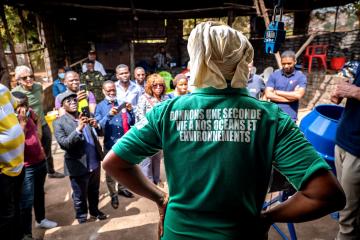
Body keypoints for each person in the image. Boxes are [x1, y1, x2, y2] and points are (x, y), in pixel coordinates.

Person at [102, 21, 345, 240]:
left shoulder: (166, 112)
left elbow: (114, 163)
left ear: (197, 60)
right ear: (242, 62)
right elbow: (326, 194)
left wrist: (160, 198)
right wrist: (268, 216)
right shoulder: (271, 118)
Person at [53, 91, 106, 224]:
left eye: (74, 100)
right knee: (80, 195)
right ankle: (82, 217)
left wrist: (96, 125)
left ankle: (95, 211)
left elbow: (100, 132)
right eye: (68, 101)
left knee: (94, 190)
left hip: (94, 162)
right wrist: (79, 129)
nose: (73, 103)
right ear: (62, 106)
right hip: (78, 165)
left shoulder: (87, 115)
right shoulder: (59, 123)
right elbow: (65, 144)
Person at [12, 92, 57, 239]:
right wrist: (22, 123)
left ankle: (41, 219)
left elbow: (38, 136)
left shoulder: (29, 115)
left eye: (26, 104)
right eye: (20, 105)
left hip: (39, 161)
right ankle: (26, 233)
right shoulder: (12, 120)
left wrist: (36, 122)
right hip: (26, 166)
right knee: (26, 201)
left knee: (39, 194)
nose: (24, 108)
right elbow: (16, 143)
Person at [12, 65, 64, 178]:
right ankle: (36, 179)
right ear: (19, 80)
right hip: (29, 127)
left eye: (31, 76)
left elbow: (41, 101)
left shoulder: (38, 87)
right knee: (33, 152)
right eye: (25, 78)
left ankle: (51, 171)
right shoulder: (15, 93)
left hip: (43, 123)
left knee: (47, 148)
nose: (29, 79)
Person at [95, 81, 135, 208]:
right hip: (110, 144)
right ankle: (113, 195)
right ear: (103, 91)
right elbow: (98, 128)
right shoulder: (100, 107)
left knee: (123, 167)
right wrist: (108, 115)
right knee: (111, 171)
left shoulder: (121, 103)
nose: (112, 92)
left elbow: (131, 122)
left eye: (113, 90)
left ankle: (122, 188)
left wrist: (130, 111)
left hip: (124, 142)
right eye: (108, 91)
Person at [331, 67, 360, 240]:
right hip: (343, 139)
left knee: (348, 217)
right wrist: (342, 90)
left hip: (357, 149)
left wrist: (355, 91)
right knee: (344, 203)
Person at [0, 83, 25, 240]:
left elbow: (16, 103)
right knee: (5, 216)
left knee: (16, 207)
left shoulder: (2, 89)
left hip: (17, 164)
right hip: (2, 170)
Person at [136, 73, 169, 185]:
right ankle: (148, 182)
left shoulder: (165, 98)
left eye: (161, 85)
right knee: (146, 160)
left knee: (157, 158)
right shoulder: (144, 98)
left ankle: (156, 178)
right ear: (150, 87)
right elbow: (140, 117)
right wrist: (151, 128)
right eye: (155, 86)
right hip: (148, 134)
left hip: (160, 134)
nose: (158, 88)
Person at [264, 50, 307, 121]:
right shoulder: (274, 75)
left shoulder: (300, 77)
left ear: (295, 62)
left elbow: (298, 95)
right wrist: (290, 99)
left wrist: (277, 92)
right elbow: (268, 94)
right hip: (274, 115)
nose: (286, 66)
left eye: (289, 63)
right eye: (283, 64)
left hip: (290, 117)